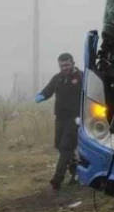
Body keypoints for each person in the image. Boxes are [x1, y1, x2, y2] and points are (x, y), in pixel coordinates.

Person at [35, 52, 83, 190]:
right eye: (62, 66)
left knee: (66, 146)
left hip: (75, 118)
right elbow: (48, 90)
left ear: (73, 63)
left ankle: (57, 179)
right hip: (60, 118)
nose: (64, 68)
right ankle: (76, 173)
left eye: (67, 65)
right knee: (60, 146)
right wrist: (41, 96)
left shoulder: (81, 77)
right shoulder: (57, 78)